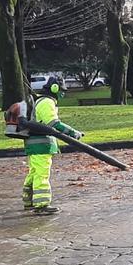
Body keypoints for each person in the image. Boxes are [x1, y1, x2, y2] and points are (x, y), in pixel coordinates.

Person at [23, 77, 84, 215]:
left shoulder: (40, 101)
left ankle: (29, 201)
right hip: (41, 145)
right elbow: (53, 124)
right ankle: (41, 204)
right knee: (42, 173)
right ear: (55, 88)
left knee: (34, 172)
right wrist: (73, 132)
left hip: (34, 144)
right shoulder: (47, 102)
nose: (62, 94)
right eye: (61, 91)